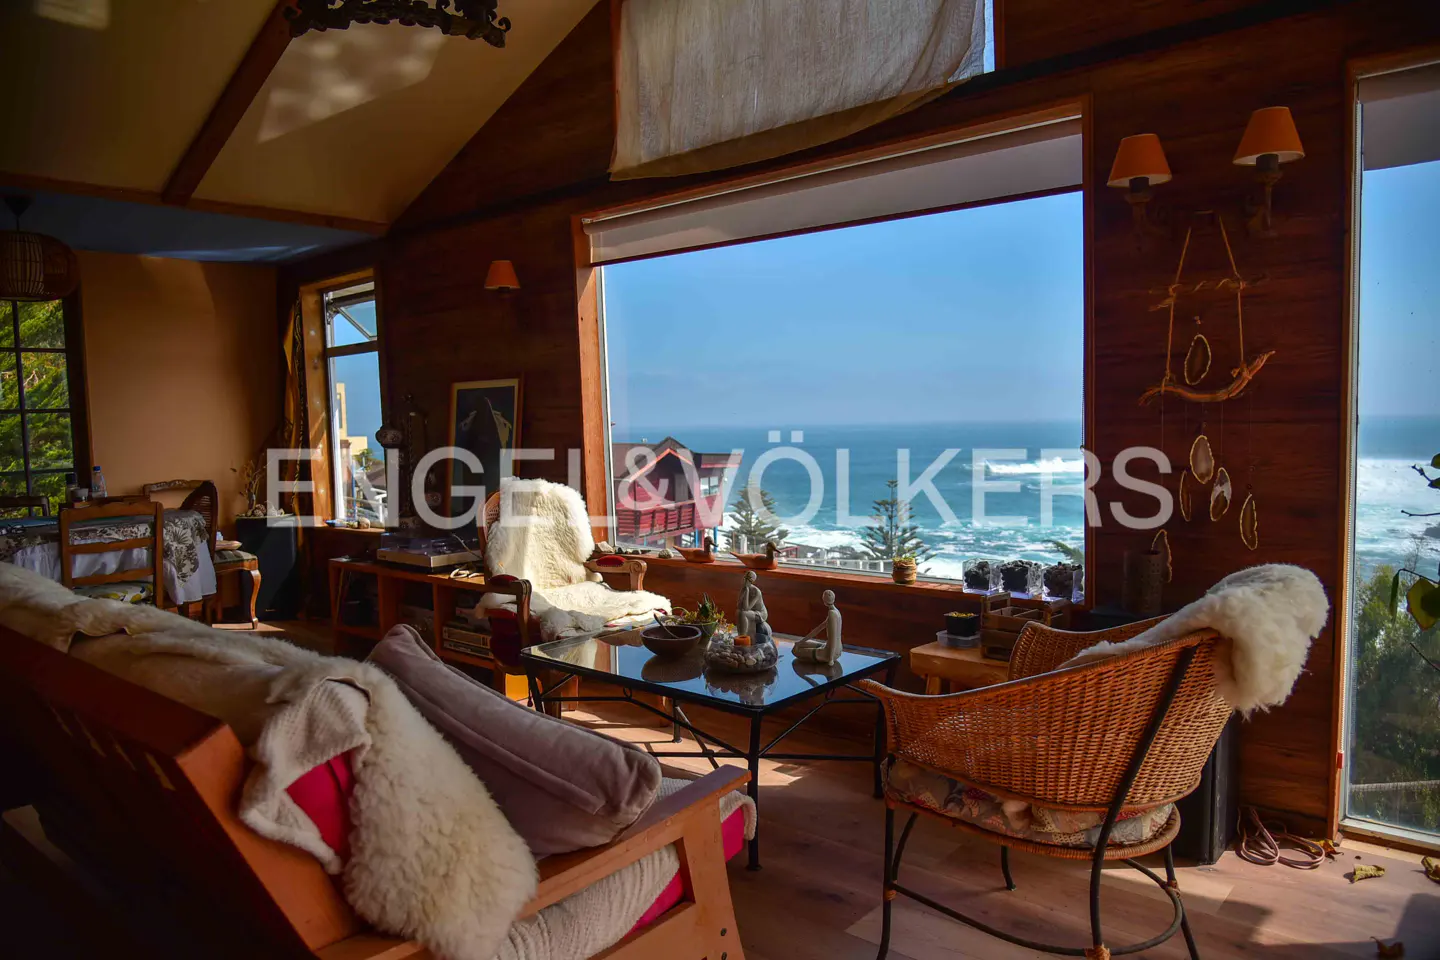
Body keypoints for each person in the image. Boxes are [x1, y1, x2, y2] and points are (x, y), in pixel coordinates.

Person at [792, 589, 843, 664]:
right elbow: (818, 629)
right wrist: (800, 642)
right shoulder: (836, 611)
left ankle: (827, 656)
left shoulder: (832, 614)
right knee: (801, 645)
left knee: (796, 651)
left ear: (824, 600)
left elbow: (833, 638)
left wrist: (830, 659)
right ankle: (802, 644)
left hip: (830, 652)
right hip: (834, 648)